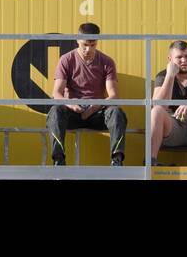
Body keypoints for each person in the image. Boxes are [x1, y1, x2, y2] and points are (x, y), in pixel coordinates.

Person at [47, 23, 127, 166]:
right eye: (85, 44)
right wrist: (71, 104)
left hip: (97, 113)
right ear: (77, 39)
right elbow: (56, 93)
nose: (88, 49)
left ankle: (117, 161)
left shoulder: (106, 62)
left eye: (93, 45)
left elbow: (114, 95)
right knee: (55, 111)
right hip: (73, 112)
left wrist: (94, 107)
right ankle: (59, 160)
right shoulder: (66, 60)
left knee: (117, 113)